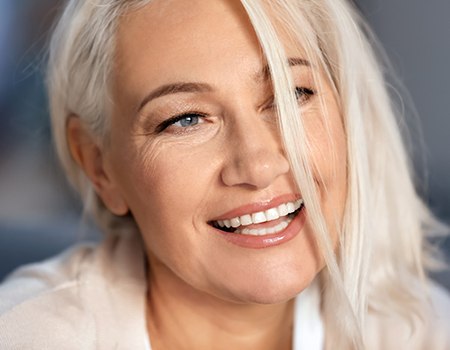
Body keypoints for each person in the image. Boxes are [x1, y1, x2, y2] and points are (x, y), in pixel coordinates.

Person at [0, 0, 449, 348]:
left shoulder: (421, 330)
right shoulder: (31, 335)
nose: (258, 165)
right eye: (186, 119)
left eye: (293, 94)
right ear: (100, 166)